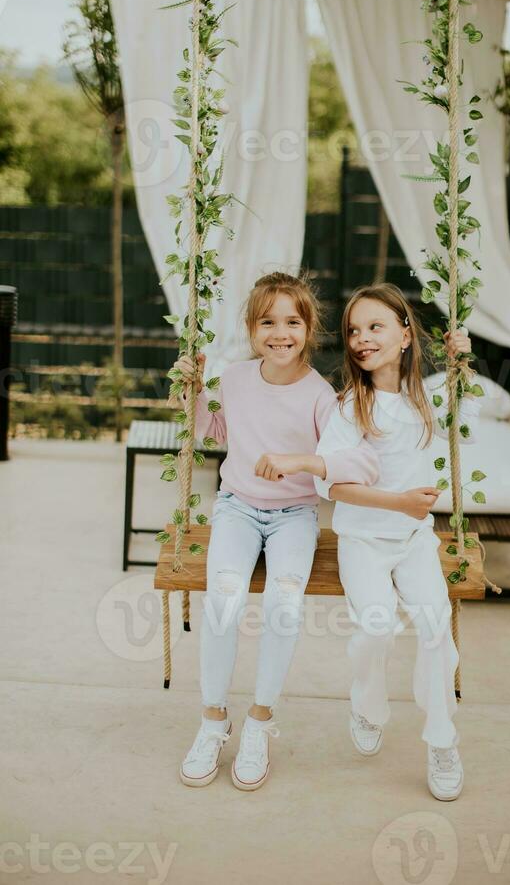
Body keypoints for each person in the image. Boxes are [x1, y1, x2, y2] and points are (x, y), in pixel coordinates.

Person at [259, 283, 480, 801]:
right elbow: (331, 484)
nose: (361, 339)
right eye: (354, 330)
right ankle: (367, 705)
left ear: (406, 335)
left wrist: (462, 359)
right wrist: (398, 500)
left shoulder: (427, 399)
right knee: (376, 626)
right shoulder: (349, 407)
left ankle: (442, 740)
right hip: (362, 540)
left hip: (413, 541)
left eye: (375, 327)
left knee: (434, 629)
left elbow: (461, 409)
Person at [172, 272, 380, 792]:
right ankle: (213, 720)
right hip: (237, 509)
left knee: (284, 605)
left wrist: (298, 463)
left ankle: (260, 722)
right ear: (251, 328)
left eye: (292, 321)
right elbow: (212, 430)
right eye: (268, 321)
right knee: (223, 600)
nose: (280, 332)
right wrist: (191, 391)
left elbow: (343, 460)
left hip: (294, 517)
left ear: (309, 329)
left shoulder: (320, 397)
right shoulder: (235, 379)